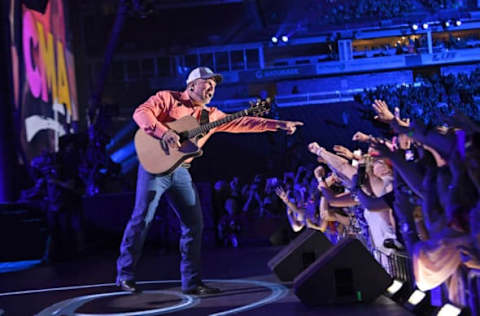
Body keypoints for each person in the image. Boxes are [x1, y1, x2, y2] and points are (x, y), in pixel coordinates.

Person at [116, 67, 303, 295]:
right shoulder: (167, 98)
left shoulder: (211, 116)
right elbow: (141, 112)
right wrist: (164, 132)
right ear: (192, 85)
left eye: (214, 86)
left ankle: (192, 283)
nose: (212, 89)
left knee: (194, 224)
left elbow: (243, 123)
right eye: (208, 84)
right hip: (153, 168)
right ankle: (125, 276)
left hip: (181, 170)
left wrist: (278, 125)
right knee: (142, 219)